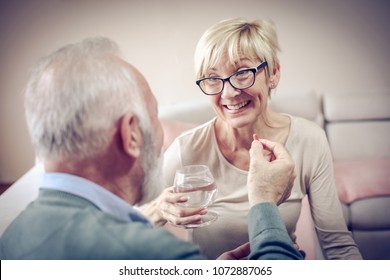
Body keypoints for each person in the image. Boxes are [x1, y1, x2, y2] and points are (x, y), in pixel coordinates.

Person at [0, 37, 302, 260]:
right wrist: (263, 201)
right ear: (131, 134)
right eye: (154, 116)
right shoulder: (147, 253)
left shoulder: (14, 234)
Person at [151, 18, 363, 260]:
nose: (228, 93)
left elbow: (338, 246)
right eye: (212, 78)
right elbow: (125, 227)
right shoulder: (185, 149)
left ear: (273, 73)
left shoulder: (309, 140)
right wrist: (157, 210)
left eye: (242, 73)